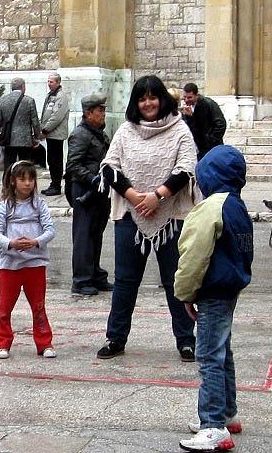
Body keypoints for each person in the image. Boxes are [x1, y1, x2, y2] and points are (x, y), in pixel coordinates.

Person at [96, 75, 198, 362]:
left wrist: (158, 196)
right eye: (142, 98)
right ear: (135, 103)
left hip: (171, 217)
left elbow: (187, 168)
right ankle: (115, 337)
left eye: (153, 97)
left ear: (162, 98)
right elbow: (109, 167)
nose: (148, 103)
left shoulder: (179, 130)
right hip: (131, 215)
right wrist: (132, 195)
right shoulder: (126, 131)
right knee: (125, 280)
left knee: (174, 280)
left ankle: (186, 340)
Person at [175, 145, 252, 452]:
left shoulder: (209, 208)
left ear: (208, 175)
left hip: (212, 290)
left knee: (209, 357)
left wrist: (185, 292)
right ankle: (227, 412)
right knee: (223, 352)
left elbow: (194, 255)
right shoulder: (236, 204)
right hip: (230, 287)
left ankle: (212, 425)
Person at [0, 160, 57, 359]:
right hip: (10, 264)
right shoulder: (5, 205)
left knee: (38, 306)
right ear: (12, 182)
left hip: (35, 263)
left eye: (31, 179)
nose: (27, 183)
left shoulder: (39, 204)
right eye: (22, 179)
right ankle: (2, 343)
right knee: (5, 308)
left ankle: (44, 343)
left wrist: (36, 242)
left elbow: (50, 230)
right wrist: (11, 243)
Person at [64, 93, 112, 296]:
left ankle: (94, 274)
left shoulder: (99, 133)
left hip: (99, 190)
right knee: (84, 235)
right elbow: (73, 166)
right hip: (85, 190)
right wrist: (92, 178)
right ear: (88, 113)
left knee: (95, 233)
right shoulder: (80, 134)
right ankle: (81, 279)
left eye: (103, 110)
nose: (103, 114)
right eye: (100, 110)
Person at [0, 78, 41, 171]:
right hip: (25, 139)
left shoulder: (3, 100)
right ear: (23, 87)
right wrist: (37, 137)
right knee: (25, 165)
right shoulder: (29, 101)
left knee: (8, 164)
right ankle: (22, 181)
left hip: (8, 139)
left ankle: (7, 183)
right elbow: (35, 121)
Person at [40, 72, 70, 196]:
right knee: (51, 160)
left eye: (51, 82)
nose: (49, 84)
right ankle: (53, 183)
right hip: (50, 134)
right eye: (48, 81)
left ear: (58, 83)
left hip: (56, 134)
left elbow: (56, 116)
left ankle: (56, 185)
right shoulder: (50, 96)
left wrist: (45, 129)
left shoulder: (60, 96)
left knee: (55, 160)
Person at [181, 83, 226, 160]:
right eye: (184, 97)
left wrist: (210, 140)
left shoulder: (209, 104)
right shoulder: (187, 108)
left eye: (189, 97)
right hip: (197, 148)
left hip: (211, 147)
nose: (186, 100)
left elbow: (220, 124)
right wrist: (189, 117)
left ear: (196, 95)